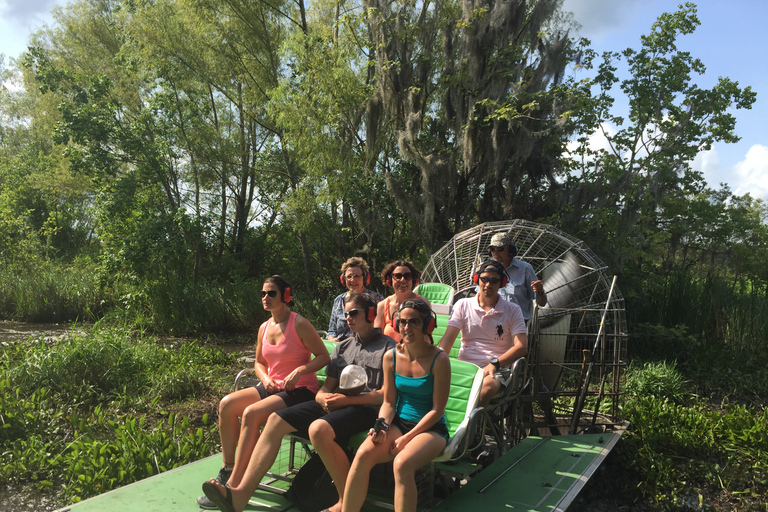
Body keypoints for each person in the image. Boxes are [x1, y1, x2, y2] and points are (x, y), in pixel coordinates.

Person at [201, 292, 396, 512]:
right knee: (275, 420)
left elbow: (385, 395)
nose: (348, 318)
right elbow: (326, 387)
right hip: (335, 405)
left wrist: (346, 400)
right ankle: (239, 496)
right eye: (345, 314)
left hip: (365, 409)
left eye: (353, 313)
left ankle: (346, 503)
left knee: (318, 429)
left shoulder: (389, 348)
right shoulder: (342, 348)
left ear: (370, 314)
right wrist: (322, 396)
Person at [196, 276, 330, 510]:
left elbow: (323, 357)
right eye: (263, 294)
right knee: (226, 404)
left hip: (299, 390)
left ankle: (232, 488)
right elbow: (259, 362)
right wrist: (265, 378)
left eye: (272, 293)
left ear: (286, 296)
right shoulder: (264, 327)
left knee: (251, 413)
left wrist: (300, 370)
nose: (265, 298)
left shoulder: (299, 324)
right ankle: (227, 470)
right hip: (272, 386)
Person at [343, 298, 450, 512]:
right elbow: (389, 401)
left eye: (414, 322)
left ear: (428, 325)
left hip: (431, 429)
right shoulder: (390, 357)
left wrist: (406, 439)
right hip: (399, 423)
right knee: (363, 455)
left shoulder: (440, 360)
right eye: (402, 322)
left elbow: (437, 410)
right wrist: (381, 424)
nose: (406, 327)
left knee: (402, 464)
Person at [439, 260, 528, 406]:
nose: (488, 284)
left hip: (497, 369)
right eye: (484, 279)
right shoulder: (462, 304)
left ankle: (473, 426)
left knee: (485, 388)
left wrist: (495, 364)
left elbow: (521, 347)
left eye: (494, 281)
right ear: (477, 279)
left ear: (502, 283)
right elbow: (447, 340)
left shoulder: (513, 309)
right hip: (465, 366)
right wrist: (435, 363)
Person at [488, 231, 546, 322]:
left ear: (511, 250)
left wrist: (540, 292)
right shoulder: (487, 270)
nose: (495, 253)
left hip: (517, 324)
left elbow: (542, 303)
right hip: (492, 324)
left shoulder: (525, 269)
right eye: (492, 249)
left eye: (500, 249)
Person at [327, 257, 384, 342]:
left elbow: (380, 330)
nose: (352, 280)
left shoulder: (376, 299)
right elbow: (331, 332)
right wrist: (332, 339)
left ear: (365, 278)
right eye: (349, 276)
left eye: (356, 276)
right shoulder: (338, 300)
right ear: (343, 279)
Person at [375, 260, 431, 342]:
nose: (403, 280)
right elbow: (376, 339)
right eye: (398, 276)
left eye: (407, 276)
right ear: (389, 280)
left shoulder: (423, 304)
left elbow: (426, 338)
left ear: (413, 280)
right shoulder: (382, 306)